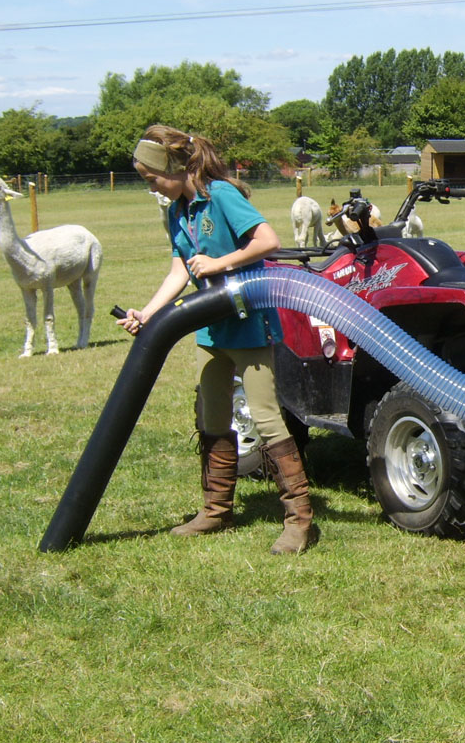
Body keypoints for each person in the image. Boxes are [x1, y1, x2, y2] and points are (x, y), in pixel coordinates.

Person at [118, 124, 318, 554]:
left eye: (153, 178)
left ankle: (300, 519)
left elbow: (268, 241)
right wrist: (148, 314)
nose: (150, 186)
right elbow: (180, 270)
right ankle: (216, 509)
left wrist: (219, 263)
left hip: (248, 324)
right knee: (212, 417)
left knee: (265, 418)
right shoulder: (175, 212)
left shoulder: (223, 195)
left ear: (176, 167)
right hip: (209, 328)